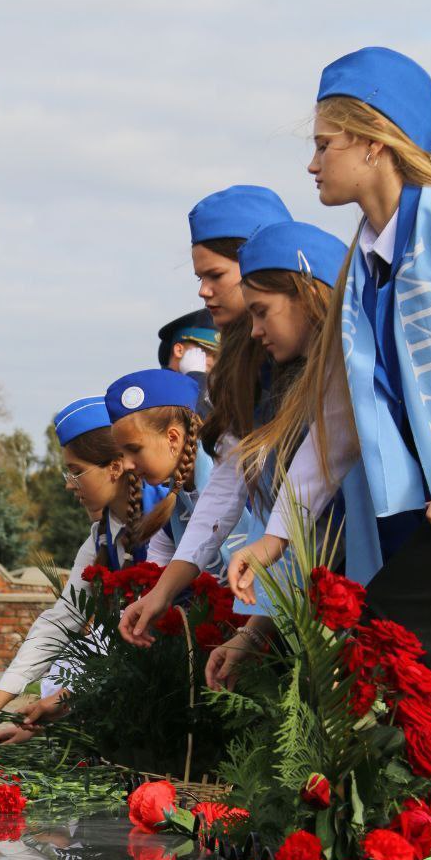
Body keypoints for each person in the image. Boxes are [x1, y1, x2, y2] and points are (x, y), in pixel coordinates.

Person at [229, 46, 431, 860]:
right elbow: (341, 418)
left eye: (325, 141)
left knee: (374, 666)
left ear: (375, 142)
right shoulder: (363, 260)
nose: (312, 160)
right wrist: (278, 537)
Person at [118, 185, 293, 646]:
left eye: (215, 274)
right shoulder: (237, 368)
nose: (203, 290)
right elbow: (230, 484)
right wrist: (164, 590)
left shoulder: (313, 354)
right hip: (288, 564)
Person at [194, 219, 350, 690]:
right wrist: (256, 629)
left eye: (262, 311)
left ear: (307, 294)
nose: (257, 330)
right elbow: (310, 530)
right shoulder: (311, 383)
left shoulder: (349, 370)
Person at [0, 396, 166, 742]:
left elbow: (146, 647)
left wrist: (67, 702)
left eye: (76, 471)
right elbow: (59, 622)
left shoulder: (165, 520)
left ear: (115, 466)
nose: (69, 484)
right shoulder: (102, 536)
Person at [105, 367, 232, 575]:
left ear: (173, 438)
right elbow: (157, 581)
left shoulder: (239, 475)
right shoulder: (172, 507)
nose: (126, 465)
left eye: (134, 449)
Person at [157, 307, 220, 411]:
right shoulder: (157, 387)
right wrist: (196, 376)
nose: (212, 363)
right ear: (179, 350)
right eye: (205, 353)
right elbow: (195, 421)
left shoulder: (212, 393)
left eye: (217, 357)